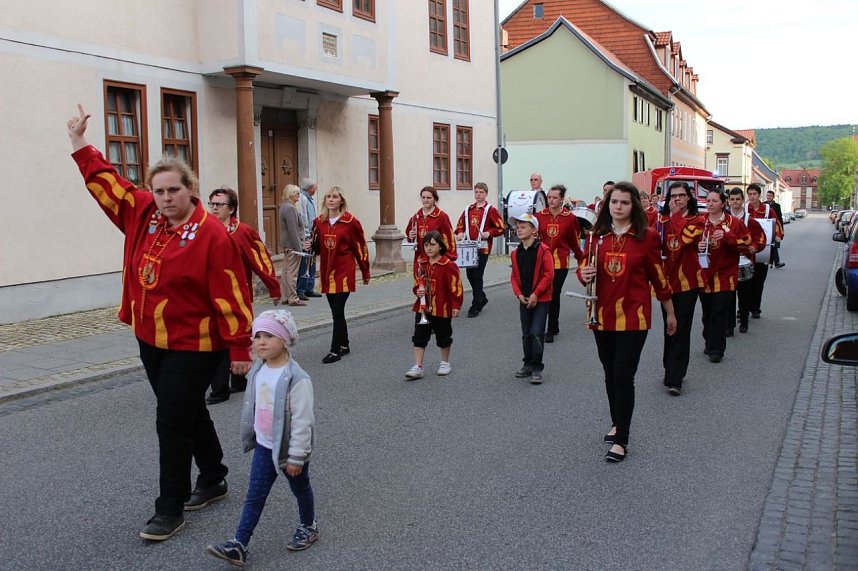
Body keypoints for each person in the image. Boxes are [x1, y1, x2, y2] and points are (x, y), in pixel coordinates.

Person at [67, 104, 253, 541]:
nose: (166, 198)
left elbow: (232, 293)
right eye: (159, 191)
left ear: (190, 190)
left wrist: (240, 347)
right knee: (185, 409)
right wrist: (78, 142)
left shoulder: (211, 235)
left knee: (170, 419)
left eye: (173, 190)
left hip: (197, 343)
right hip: (150, 337)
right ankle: (214, 476)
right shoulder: (143, 212)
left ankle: (170, 507)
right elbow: (109, 184)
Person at [206, 310, 317, 567]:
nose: (261, 342)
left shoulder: (297, 379)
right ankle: (239, 544)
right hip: (264, 446)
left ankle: (308, 526)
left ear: (285, 340)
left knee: (300, 489)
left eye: (269, 336)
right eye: (257, 336)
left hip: (289, 449)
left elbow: (303, 421)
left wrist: (297, 456)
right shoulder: (258, 368)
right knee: (255, 494)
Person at [577, 181, 676, 462]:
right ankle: (617, 422)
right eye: (614, 202)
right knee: (609, 373)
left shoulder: (647, 237)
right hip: (601, 315)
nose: (618, 207)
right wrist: (583, 273)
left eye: (624, 202)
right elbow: (584, 266)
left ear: (633, 206)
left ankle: (622, 439)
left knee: (623, 375)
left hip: (634, 317)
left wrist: (670, 311)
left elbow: (659, 277)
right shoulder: (597, 236)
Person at [207, 186, 282, 404]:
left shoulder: (243, 232)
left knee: (236, 336)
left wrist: (273, 287)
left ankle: (234, 382)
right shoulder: (206, 231)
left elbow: (261, 260)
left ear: (231, 209)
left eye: (219, 204)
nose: (214, 208)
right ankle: (221, 387)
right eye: (211, 204)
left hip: (238, 296)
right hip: (213, 298)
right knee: (218, 341)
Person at [311, 187, 371, 363]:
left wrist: (365, 270)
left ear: (341, 201)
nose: (331, 200)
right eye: (328, 197)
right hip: (326, 272)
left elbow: (360, 247)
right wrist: (310, 246)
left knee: (337, 311)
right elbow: (317, 247)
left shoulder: (351, 222)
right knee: (336, 312)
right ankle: (345, 345)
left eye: (335, 197)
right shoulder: (319, 221)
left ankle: (335, 350)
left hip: (343, 271)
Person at [654, 181, 703, 396]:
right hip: (666, 282)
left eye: (681, 195)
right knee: (669, 326)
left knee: (681, 329)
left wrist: (675, 216)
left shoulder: (697, 220)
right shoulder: (661, 221)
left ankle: (676, 378)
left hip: (687, 283)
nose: (677, 199)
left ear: (688, 197)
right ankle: (669, 368)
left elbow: (686, 238)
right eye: (673, 196)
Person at [698, 190, 751, 363]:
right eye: (708, 200)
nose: (710, 204)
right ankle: (708, 341)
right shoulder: (700, 222)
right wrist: (698, 246)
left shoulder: (734, 223)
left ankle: (717, 349)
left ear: (723, 203)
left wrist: (728, 236)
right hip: (705, 275)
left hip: (725, 276)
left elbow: (747, 244)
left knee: (719, 313)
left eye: (714, 201)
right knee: (707, 313)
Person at [404, 231, 463, 380]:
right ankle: (418, 366)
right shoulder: (421, 263)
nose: (428, 248)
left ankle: (445, 362)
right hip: (423, 307)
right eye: (426, 245)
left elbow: (456, 286)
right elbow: (416, 282)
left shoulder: (448, 265)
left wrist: (456, 305)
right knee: (419, 336)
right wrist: (417, 291)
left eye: (432, 245)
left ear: (440, 246)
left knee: (443, 335)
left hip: (442, 307)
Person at [535, 184, 584, 343]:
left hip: (560, 262)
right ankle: (540, 326)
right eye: (549, 197)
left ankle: (551, 328)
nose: (551, 200)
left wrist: (582, 258)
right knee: (541, 293)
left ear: (562, 199)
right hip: (542, 261)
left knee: (553, 293)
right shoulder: (539, 216)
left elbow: (574, 241)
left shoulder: (570, 218)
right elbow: (533, 236)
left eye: (554, 197)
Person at [510, 213, 554, 384]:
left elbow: (548, 275)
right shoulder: (516, 253)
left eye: (523, 227)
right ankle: (527, 364)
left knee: (536, 333)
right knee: (526, 334)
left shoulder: (543, 250)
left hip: (541, 299)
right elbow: (514, 276)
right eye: (517, 227)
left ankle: (537, 367)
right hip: (524, 299)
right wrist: (519, 294)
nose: (519, 230)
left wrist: (536, 293)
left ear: (534, 230)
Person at [455, 182, 506, 318]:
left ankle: (476, 304)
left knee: (477, 275)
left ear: (486, 194)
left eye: (481, 192)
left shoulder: (491, 210)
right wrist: (460, 233)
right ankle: (481, 297)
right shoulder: (468, 209)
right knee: (470, 275)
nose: (478, 195)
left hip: (483, 248)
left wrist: (489, 233)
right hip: (469, 247)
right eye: (476, 192)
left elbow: (501, 228)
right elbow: (460, 225)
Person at [726, 188, 766, 335]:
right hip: (727, 263)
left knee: (744, 296)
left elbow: (760, 237)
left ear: (743, 201)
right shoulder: (724, 219)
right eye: (732, 199)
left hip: (745, 261)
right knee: (729, 296)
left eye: (738, 199)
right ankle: (729, 325)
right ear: (728, 201)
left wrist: (755, 247)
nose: (735, 202)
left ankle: (744, 321)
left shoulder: (750, 220)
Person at [745, 184, 783, 319]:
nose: (752, 197)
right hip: (747, 250)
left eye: (754, 194)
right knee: (745, 282)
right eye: (750, 194)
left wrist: (778, 235)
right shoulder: (745, 209)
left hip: (764, 250)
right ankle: (744, 309)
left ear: (759, 195)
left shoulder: (768, 209)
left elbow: (776, 224)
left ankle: (755, 308)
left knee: (759, 281)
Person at [405, 186, 457, 267]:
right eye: (423, 197)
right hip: (420, 258)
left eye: (429, 198)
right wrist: (411, 236)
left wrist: (446, 258)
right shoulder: (416, 217)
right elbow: (410, 237)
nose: (425, 200)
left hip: (436, 258)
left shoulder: (442, 216)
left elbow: (449, 238)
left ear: (434, 199)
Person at [279, 184, 308, 306]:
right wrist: (299, 248)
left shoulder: (284, 206)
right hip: (293, 246)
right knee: (292, 273)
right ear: (291, 194)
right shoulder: (290, 208)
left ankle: (285, 296)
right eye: (297, 193)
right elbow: (293, 230)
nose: (299, 195)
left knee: (286, 272)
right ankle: (293, 298)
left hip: (287, 245)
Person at [297, 179, 322, 298]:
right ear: (310, 188)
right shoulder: (302, 198)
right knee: (305, 262)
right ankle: (301, 289)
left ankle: (309, 287)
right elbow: (303, 218)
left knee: (312, 261)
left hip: (313, 233)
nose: (316, 189)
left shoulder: (309, 198)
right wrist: (307, 234)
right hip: (307, 234)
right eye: (314, 187)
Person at [765, 189, 786, 269]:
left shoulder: (777, 206)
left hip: (773, 228)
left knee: (773, 245)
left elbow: (779, 219)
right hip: (765, 227)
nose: (768, 197)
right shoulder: (763, 205)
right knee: (766, 245)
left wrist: (781, 230)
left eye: (770, 196)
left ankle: (775, 262)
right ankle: (771, 262)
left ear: (773, 197)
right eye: (767, 195)